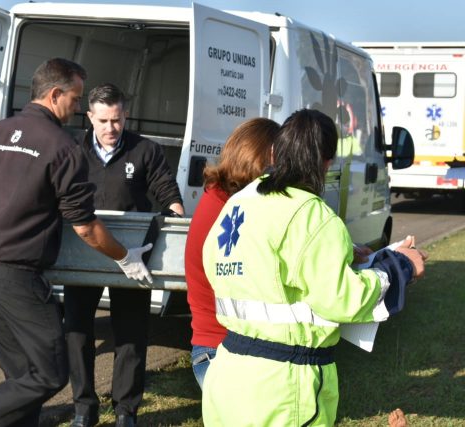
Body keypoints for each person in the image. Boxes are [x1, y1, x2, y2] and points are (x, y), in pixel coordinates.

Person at [0, 59, 154, 427]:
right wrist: (124, 257)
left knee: (22, 380)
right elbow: (85, 227)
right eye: (75, 98)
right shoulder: (62, 148)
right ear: (54, 95)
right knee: (48, 374)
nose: (78, 108)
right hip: (18, 280)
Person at [201, 109, 427, 426]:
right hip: (283, 387)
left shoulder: (239, 203)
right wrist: (401, 266)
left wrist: (340, 252)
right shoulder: (312, 214)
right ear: (326, 162)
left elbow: (257, 261)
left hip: (227, 378)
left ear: (275, 152)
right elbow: (343, 299)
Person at [64, 83, 184, 427]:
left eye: (116, 120)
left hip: (131, 256)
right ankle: (83, 408)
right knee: (77, 331)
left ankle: (125, 411)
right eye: (103, 121)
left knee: (131, 333)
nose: (110, 128)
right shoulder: (71, 149)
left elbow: (168, 193)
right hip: (83, 254)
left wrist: (175, 218)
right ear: (89, 116)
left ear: (125, 115)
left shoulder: (145, 150)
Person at [184, 117, 279, 389]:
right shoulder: (234, 208)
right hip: (225, 348)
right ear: (265, 158)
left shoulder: (221, 198)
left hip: (216, 347)